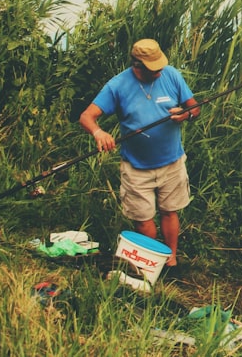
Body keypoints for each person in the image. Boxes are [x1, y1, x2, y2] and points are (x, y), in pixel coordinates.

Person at [79, 38, 198, 267]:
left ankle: (171, 259)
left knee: (170, 211)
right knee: (143, 219)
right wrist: (98, 133)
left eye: (160, 66)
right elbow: (86, 116)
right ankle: (148, 262)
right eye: (154, 69)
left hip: (172, 161)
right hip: (136, 166)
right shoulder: (117, 85)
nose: (159, 72)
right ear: (137, 65)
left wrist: (186, 115)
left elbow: (195, 107)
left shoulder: (171, 74)